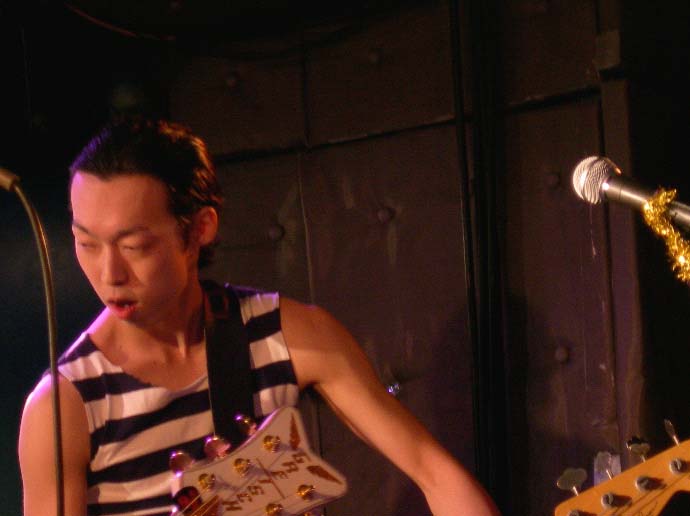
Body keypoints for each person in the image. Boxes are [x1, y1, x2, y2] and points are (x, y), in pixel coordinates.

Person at [18, 118, 500, 516]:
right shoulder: (65, 407)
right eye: (86, 243)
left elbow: (435, 474)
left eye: (134, 245)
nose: (109, 274)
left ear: (200, 229)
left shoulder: (286, 335)